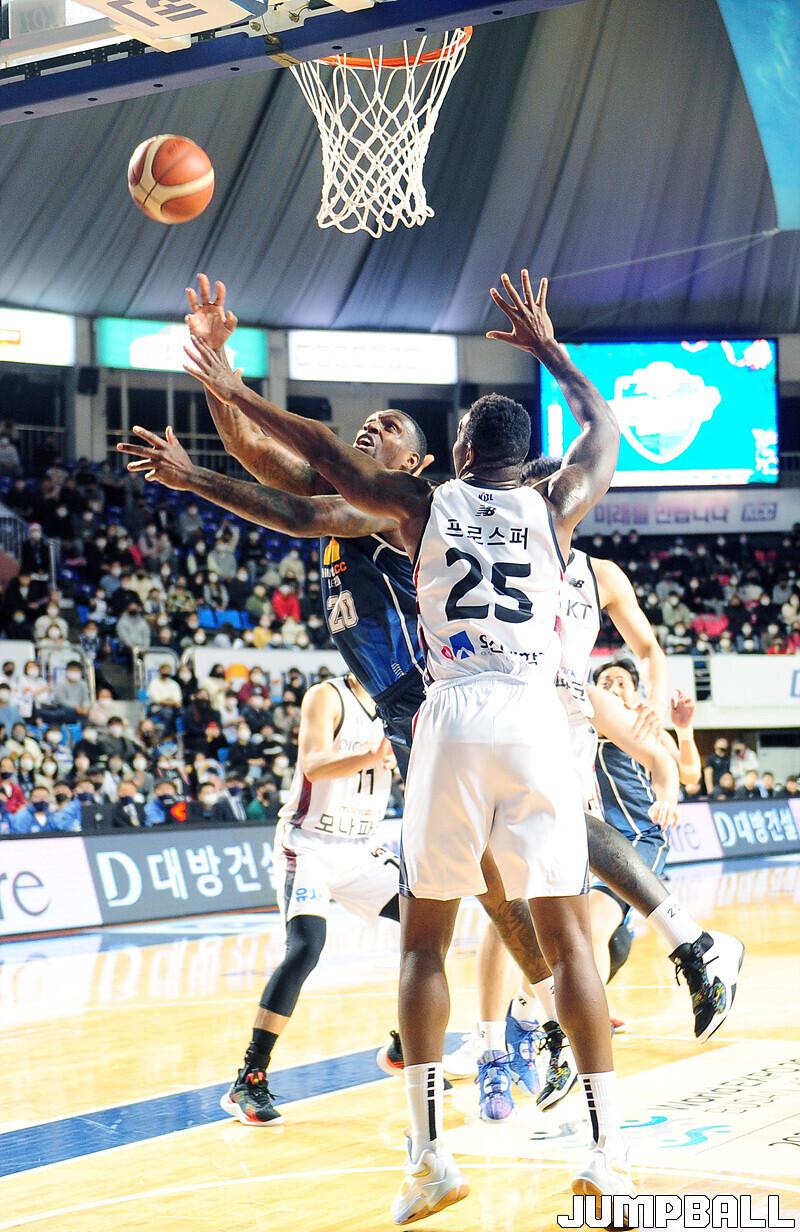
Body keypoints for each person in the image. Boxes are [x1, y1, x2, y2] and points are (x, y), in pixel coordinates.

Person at [178, 271, 638, 1218]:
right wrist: (550, 348)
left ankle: (431, 1159)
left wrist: (228, 383)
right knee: (569, 940)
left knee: (425, 942)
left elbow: (311, 460)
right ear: (524, 459)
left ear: (457, 453)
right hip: (535, 718)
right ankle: (609, 1155)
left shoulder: (420, 505)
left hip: (450, 714)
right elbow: (604, 426)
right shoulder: (557, 506)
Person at [220, 674, 397, 1126]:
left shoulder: (402, 696)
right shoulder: (327, 695)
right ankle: (249, 1078)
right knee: (305, 948)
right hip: (310, 844)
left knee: (429, 924)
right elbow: (314, 764)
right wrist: (371, 755)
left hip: (363, 847)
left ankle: (407, 1042)